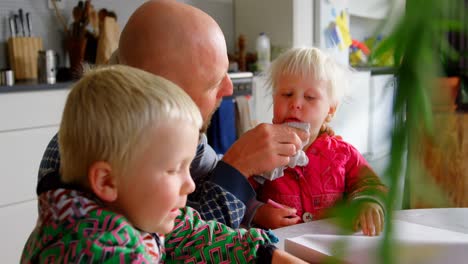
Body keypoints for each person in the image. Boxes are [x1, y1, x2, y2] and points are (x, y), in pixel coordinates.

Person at [37, 0, 308, 229]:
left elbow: (204, 190)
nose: (228, 88)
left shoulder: (172, 131)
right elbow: (178, 249)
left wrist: (253, 209)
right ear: (164, 94)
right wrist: (236, 169)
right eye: (213, 82)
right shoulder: (92, 152)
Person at [22, 65, 307, 263]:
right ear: (107, 181)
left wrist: (264, 255)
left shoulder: (131, 208)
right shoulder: (104, 252)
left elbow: (191, 234)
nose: (190, 183)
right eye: (173, 170)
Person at [251, 47, 388, 236]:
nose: (296, 103)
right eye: (287, 94)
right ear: (274, 100)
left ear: (330, 110)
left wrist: (367, 202)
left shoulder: (344, 154)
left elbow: (371, 185)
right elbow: (235, 196)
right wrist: (257, 212)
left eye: (310, 97)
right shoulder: (259, 150)